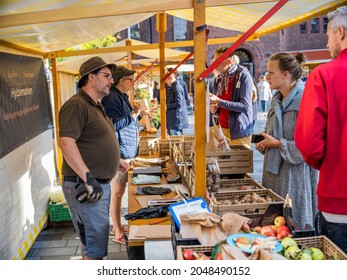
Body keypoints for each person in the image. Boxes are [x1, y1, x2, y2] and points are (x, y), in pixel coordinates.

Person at [58, 56, 129, 260]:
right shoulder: (76, 105)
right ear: (91, 77)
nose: (111, 80)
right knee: (93, 246)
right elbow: (66, 143)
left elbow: (93, 140)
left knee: (95, 243)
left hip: (96, 184)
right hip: (86, 185)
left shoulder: (95, 104)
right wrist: (88, 177)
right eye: (106, 76)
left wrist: (115, 161)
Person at [294, 6, 347, 253]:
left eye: (328, 36)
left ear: (340, 32)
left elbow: (308, 141)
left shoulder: (324, 75)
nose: (327, 43)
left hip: (339, 198)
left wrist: (328, 163)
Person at [255, 52, 318, 229]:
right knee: (276, 226)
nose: (267, 77)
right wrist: (265, 141)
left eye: (271, 72)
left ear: (286, 74)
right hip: (274, 175)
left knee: (294, 224)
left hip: (296, 177)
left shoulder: (306, 100)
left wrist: (277, 143)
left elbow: (310, 147)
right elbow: (272, 134)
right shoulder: (276, 100)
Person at [102, 66, 146, 244]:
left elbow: (126, 121)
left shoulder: (119, 96)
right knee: (117, 193)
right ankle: (118, 231)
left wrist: (137, 117)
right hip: (119, 152)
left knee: (119, 192)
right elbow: (111, 126)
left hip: (125, 150)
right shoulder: (112, 97)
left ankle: (117, 226)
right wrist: (133, 115)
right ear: (121, 81)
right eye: (130, 80)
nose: (132, 83)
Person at [209, 48, 253, 146]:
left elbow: (245, 107)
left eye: (217, 61)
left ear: (228, 61)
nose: (214, 64)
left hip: (239, 132)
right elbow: (222, 104)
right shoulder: (220, 78)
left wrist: (219, 101)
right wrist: (215, 109)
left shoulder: (244, 76)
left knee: (238, 161)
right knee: (223, 161)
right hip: (222, 130)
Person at [165, 70, 189, 135]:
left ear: (170, 78)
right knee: (175, 139)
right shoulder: (175, 86)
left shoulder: (177, 87)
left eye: (166, 80)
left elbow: (178, 103)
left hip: (176, 118)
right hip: (175, 118)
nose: (166, 82)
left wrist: (167, 106)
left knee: (176, 140)